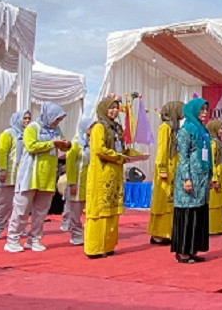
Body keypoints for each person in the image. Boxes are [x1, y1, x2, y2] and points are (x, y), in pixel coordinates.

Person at [4, 102, 70, 253]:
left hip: (47, 176)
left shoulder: (56, 130)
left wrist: (66, 144)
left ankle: (34, 239)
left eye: (59, 120)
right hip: (30, 175)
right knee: (21, 210)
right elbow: (31, 146)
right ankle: (12, 239)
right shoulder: (33, 127)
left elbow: (60, 145)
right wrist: (52, 143)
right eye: (56, 118)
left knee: (41, 212)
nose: (57, 122)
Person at [85, 97, 141, 258]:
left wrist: (135, 155)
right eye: (111, 108)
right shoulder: (98, 127)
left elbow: (122, 149)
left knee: (111, 211)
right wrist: (118, 157)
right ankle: (95, 247)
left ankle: (108, 245)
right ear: (103, 109)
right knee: (99, 211)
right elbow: (99, 149)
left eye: (117, 108)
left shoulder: (116, 127)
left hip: (115, 172)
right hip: (101, 173)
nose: (114, 111)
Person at [171, 98, 212, 263]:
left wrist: (209, 175)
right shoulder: (186, 130)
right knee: (187, 213)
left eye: (205, 110)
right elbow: (184, 156)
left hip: (201, 178)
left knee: (197, 213)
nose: (204, 113)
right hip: (190, 178)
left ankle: (192, 249)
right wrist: (186, 178)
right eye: (201, 110)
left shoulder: (203, 130)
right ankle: (182, 251)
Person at [0, 109, 31, 240]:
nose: (27, 121)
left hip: (24, 175)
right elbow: (2, 152)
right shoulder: (8, 134)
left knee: (22, 204)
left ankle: (19, 228)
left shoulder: (30, 134)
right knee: (4, 203)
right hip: (9, 174)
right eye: (24, 118)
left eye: (29, 118)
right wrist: (2, 169)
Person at [149, 101, 184, 245]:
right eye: (181, 110)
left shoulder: (175, 128)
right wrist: (162, 169)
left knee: (170, 202)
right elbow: (162, 150)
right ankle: (158, 234)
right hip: (165, 169)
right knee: (162, 201)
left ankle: (167, 232)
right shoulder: (165, 127)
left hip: (173, 168)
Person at [65, 118, 94, 246]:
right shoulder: (75, 143)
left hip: (89, 182)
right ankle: (75, 234)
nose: (92, 130)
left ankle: (89, 233)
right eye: (90, 127)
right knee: (75, 211)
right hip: (77, 181)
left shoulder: (92, 143)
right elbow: (70, 164)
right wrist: (72, 182)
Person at [206, 120, 222, 235]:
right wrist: (213, 178)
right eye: (220, 129)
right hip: (216, 176)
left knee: (219, 203)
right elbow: (212, 162)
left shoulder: (219, 142)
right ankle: (211, 228)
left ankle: (218, 227)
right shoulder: (212, 143)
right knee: (213, 203)